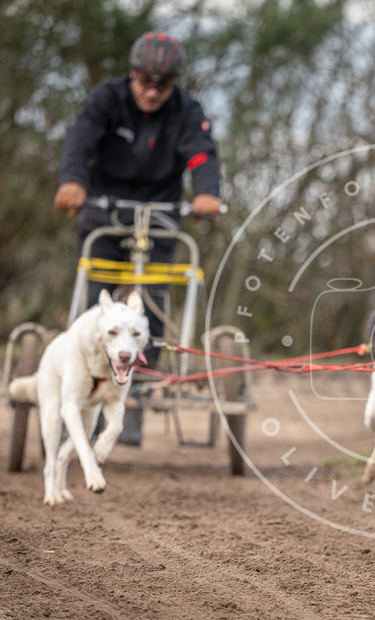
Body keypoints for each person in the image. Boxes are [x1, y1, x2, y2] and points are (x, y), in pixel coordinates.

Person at [54, 31, 223, 445]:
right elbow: (80, 139)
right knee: (99, 294)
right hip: (104, 206)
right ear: (132, 74)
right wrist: (72, 182)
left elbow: (201, 153)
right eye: (144, 80)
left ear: (174, 83)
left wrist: (207, 193)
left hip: (162, 211)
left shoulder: (186, 110)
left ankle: (138, 393)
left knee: (153, 298)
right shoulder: (107, 98)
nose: (151, 90)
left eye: (161, 84)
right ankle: (88, 379)